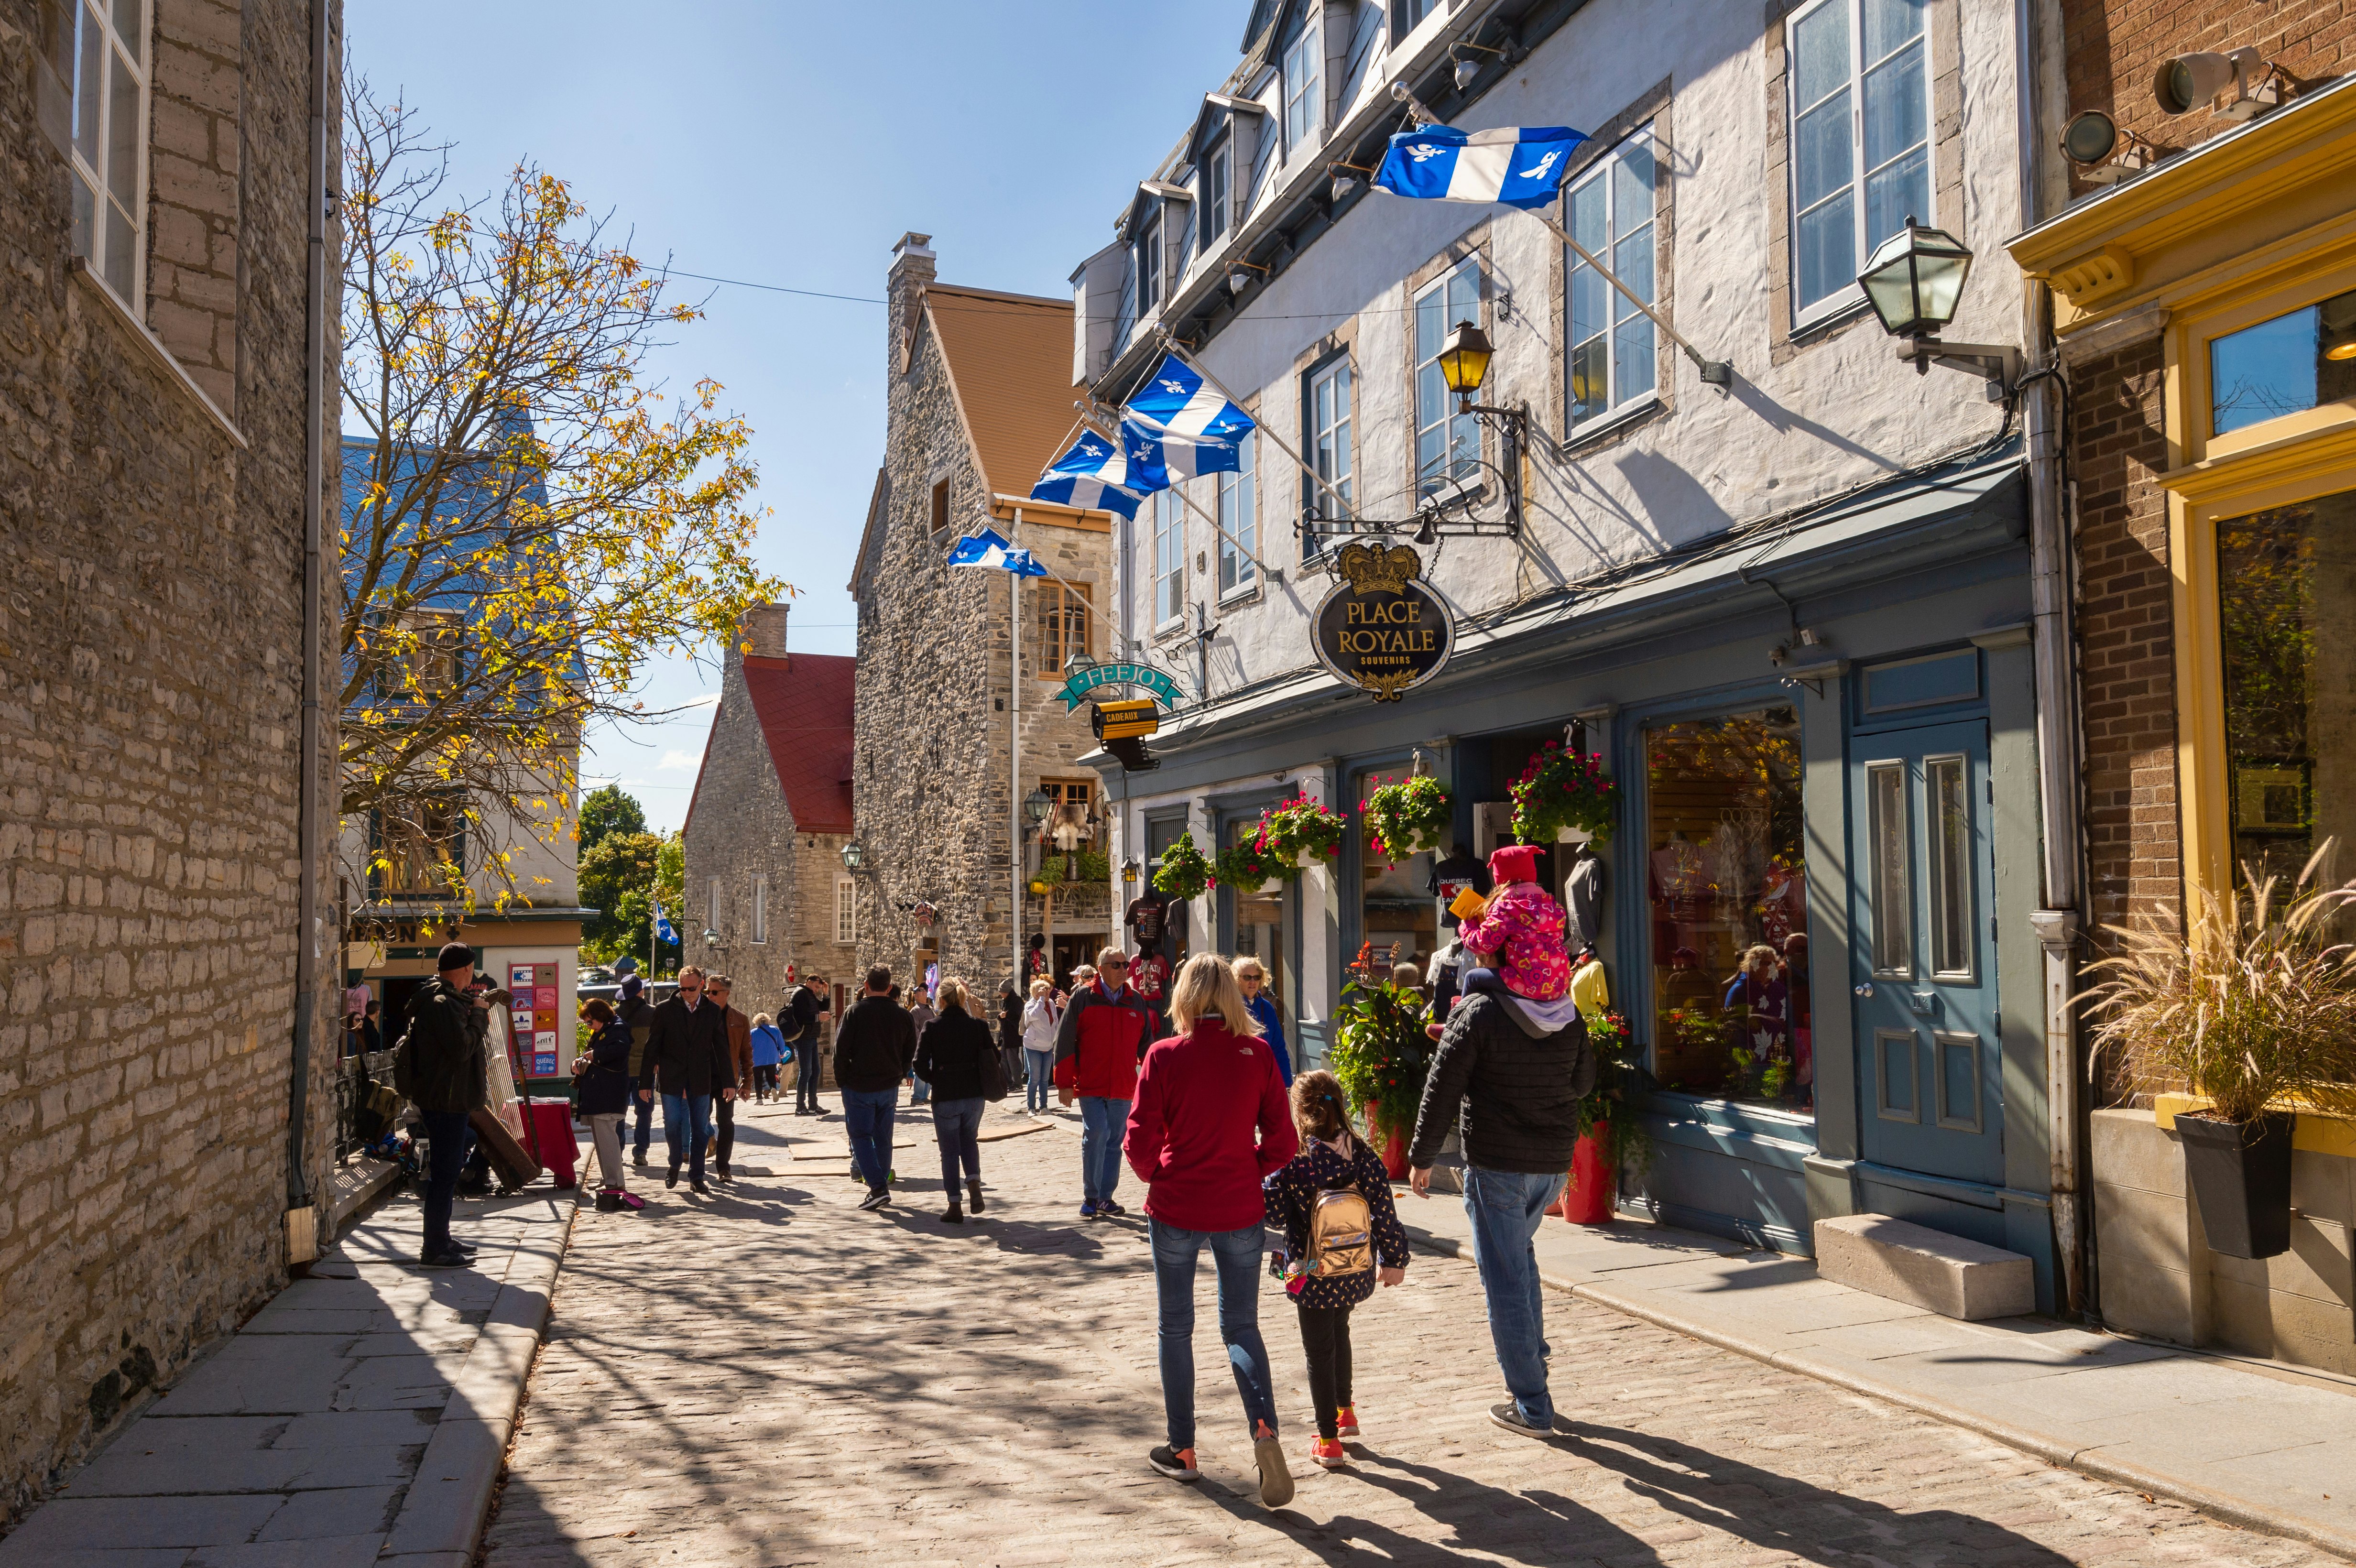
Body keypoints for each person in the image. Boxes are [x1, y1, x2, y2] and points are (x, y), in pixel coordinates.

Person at [1404, 914, 1592, 1439]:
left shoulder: (1477, 1011)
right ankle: (1533, 1364)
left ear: (1495, 957)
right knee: (1519, 1261)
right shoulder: (1565, 1010)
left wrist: (1419, 1157)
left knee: (1504, 1277)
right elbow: (1582, 1081)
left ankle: (1532, 1403)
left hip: (1498, 1165)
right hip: (1551, 1164)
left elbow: (1441, 1086)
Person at [1123, 953, 1298, 1507]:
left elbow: (1138, 1138)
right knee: (1241, 1327)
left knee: (1175, 1326)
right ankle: (1264, 1430)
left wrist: (1161, 1176)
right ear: (1229, 993)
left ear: (1184, 996)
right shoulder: (1257, 1053)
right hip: (1239, 1204)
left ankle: (1183, 1448)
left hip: (1177, 1204)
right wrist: (1250, 1167)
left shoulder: (1164, 1054)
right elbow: (1283, 1140)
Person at [1263, 1070, 1409, 1470]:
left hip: (1309, 1269)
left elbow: (1273, 1216)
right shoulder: (1363, 1155)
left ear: (1300, 1111)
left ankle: (1328, 1440)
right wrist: (1395, 1260)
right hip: (1356, 1269)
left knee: (1318, 1349)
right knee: (1339, 1333)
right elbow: (1385, 1215)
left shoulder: (1295, 1161)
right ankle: (1345, 1413)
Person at [401, 941, 491, 1267]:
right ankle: (435, 1248)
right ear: (467, 970)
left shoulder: (442, 998)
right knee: (444, 1175)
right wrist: (480, 1013)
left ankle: (442, 1239)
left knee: (447, 1174)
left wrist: (473, 1009)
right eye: (471, 972)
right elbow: (462, 1047)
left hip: (446, 1098)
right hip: (446, 1101)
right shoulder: (442, 1002)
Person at [1052, 947, 1156, 1219]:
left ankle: (1106, 1198)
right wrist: (1064, 1084)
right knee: (1096, 1133)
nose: (1124, 969)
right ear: (1101, 969)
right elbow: (1065, 1041)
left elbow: (1148, 1047)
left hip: (1123, 1085)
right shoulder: (1083, 998)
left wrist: (1153, 1084)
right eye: (1117, 965)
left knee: (1115, 1140)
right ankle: (1091, 1195)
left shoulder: (1135, 1001)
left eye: (1126, 964)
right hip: (1091, 1084)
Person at [637, 965, 736, 1195]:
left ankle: (697, 1176)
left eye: (691, 988)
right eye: (682, 988)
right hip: (672, 1079)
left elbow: (721, 1047)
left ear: (701, 984)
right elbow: (651, 1048)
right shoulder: (664, 1010)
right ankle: (674, 1163)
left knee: (700, 1129)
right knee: (672, 1125)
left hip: (701, 1079)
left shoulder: (711, 1011)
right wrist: (645, 1083)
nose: (687, 993)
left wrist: (729, 1081)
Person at [833, 964, 917, 1211]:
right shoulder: (903, 1015)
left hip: (859, 1085)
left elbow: (840, 1051)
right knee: (883, 1137)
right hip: (889, 1084)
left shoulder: (854, 1012)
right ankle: (881, 1184)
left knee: (860, 1136)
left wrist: (843, 1081)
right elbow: (910, 1049)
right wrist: (901, 1072)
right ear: (889, 988)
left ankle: (878, 1186)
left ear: (866, 986)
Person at [914, 977, 997, 1223]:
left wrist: (934, 1079)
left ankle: (954, 1204)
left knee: (949, 1152)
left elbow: (918, 1063)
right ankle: (973, 1181)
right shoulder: (978, 1026)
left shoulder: (932, 1026)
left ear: (941, 1000)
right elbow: (995, 1058)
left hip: (946, 1094)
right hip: (973, 1094)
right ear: (962, 999)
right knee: (969, 1141)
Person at [1456, 844, 1573, 1004]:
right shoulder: (1553, 906)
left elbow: (1483, 945)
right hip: (1559, 983)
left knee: (1473, 977)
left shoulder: (1506, 908)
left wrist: (1467, 924)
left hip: (1529, 983)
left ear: (1500, 878)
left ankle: (1457, 1022)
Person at [574, 999, 644, 1211]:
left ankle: (616, 1183)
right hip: (598, 1094)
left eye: (590, 1022)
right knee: (601, 1141)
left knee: (608, 1140)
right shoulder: (604, 1029)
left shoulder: (618, 1028)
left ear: (601, 1016)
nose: (589, 1026)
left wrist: (595, 1055)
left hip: (608, 1095)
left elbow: (620, 1050)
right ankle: (609, 1180)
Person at [708, 975, 753, 1182]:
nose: (709, 996)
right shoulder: (699, 1016)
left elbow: (746, 1053)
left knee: (725, 1122)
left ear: (726, 994)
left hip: (728, 1079)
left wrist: (747, 1083)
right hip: (703, 1078)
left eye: (714, 992)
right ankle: (697, 1165)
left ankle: (723, 1168)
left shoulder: (739, 1019)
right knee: (699, 1121)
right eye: (707, 992)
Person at [617, 975, 658, 1164]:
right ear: (640, 992)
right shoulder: (652, 1013)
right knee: (644, 1112)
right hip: (644, 1070)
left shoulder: (614, 1014)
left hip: (619, 1070)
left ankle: (617, 1151)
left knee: (618, 1112)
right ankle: (640, 1152)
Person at [1234, 958, 1294, 1086]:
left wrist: (1287, 1085)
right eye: (1247, 977)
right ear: (1235, 978)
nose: (1253, 982)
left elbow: (1278, 1049)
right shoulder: (1228, 1007)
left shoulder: (1267, 1008)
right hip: (1237, 1082)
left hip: (1263, 1080)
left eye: (1257, 977)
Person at [783, 974, 830, 1115]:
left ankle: (813, 1105)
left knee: (815, 1071)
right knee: (806, 1072)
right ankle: (800, 1106)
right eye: (816, 987)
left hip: (811, 1036)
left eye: (819, 988)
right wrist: (818, 1017)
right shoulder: (801, 994)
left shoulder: (809, 993)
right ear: (809, 982)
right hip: (803, 1038)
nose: (817, 990)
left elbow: (822, 1007)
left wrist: (826, 994)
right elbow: (801, 1016)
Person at [1020, 977, 1061, 1114]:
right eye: (1044, 990)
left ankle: (1044, 1107)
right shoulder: (1031, 1005)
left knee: (1045, 1079)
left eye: (1048, 990)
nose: (1048, 993)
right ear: (1036, 993)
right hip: (1034, 1046)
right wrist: (1041, 1001)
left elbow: (1055, 1022)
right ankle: (1031, 1107)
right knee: (1035, 1078)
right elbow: (1033, 1016)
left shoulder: (1052, 1004)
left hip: (1048, 1047)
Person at [994, 978, 1026, 1102]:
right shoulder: (1007, 1000)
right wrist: (1002, 1017)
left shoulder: (1016, 1001)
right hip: (1006, 1035)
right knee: (1003, 1059)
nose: (1001, 995)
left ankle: (1017, 1083)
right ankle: (1009, 1083)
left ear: (1006, 992)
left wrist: (1006, 1016)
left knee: (1013, 1060)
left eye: (1002, 992)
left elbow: (1018, 1017)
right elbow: (1004, 1015)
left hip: (1013, 1035)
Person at [905, 986, 937, 1106]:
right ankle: (917, 1097)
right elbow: (915, 1029)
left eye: (925, 990)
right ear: (915, 996)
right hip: (923, 1045)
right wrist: (922, 1042)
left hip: (932, 1045)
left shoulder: (930, 1009)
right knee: (922, 1070)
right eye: (920, 991)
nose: (924, 992)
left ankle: (924, 1096)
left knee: (930, 1069)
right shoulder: (915, 1010)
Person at [750, 1011, 788, 1103]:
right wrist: (782, 1052)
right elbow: (781, 1043)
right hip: (772, 1057)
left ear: (756, 1021)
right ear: (767, 1020)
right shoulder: (775, 1030)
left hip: (757, 1058)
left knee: (758, 1078)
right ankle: (773, 1088)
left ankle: (759, 1099)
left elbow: (749, 1046)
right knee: (771, 1075)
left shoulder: (753, 1032)